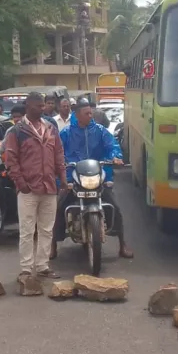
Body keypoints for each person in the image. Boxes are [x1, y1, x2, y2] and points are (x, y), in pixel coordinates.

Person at [53, 98, 132, 260]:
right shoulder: (66, 133)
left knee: (115, 207)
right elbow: (57, 152)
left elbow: (112, 146)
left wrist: (115, 157)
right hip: (73, 176)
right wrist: (60, 164)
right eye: (87, 113)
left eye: (91, 113)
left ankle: (122, 244)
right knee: (58, 208)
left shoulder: (101, 131)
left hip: (98, 176)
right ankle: (53, 245)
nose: (90, 116)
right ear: (77, 115)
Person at [3, 92, 67, 280]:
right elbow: (11, 159)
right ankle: (26, 268)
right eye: (39, 106)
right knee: (27, 231)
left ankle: (42, 266)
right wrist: (20, 183)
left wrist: (62, 177)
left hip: (49, 186)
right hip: (28, 189)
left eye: (42, 105)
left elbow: (59, 154)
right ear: (29, 106)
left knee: (47, 229)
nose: (42, 108)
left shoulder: (50, 128)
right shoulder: (17, 131)